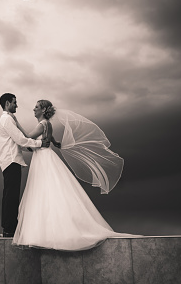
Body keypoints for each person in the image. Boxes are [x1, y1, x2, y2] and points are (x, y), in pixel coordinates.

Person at [12, 99, 136, 250]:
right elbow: (52, 141)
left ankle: (47, 232)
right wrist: (56, 143)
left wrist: (15, 122)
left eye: (37, 107)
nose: (34, 109)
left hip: (42, 159)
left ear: (43, 110)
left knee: (43, 191)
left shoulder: (41, 125)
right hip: (46, 156)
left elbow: (26, 136)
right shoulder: (48, 125)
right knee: (51, 190)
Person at [0, 93, 50, 238]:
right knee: (11, 196)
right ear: (7, 103)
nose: (16, 105)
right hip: (11, 160)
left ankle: (8, 228)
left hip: (10, 160)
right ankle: (9, 230)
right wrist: (40, 144)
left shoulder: (7, 119)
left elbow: (16, 142)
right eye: (14, 103)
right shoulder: (7, 119)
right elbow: (20, 139)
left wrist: (31, 148)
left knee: (9, 195)